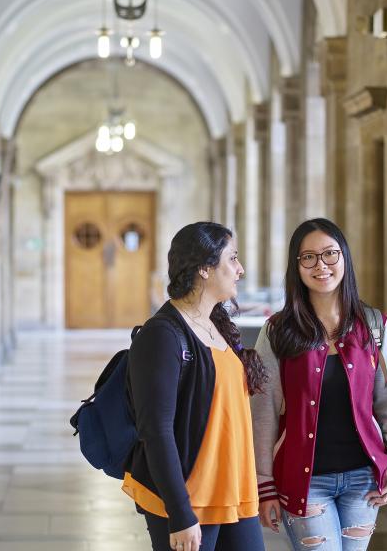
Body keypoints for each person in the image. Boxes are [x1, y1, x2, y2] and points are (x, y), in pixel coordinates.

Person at [251, 218, 387, 551]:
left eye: (329, 254)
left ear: (344, 259)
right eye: (308, 257)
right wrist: (264, 483)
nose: (321, 265)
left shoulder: (374, 325)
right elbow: (262, 413)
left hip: (363, 480)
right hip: (305, 481)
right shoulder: (277, 331)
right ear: (296, 266)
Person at [123, 222, 268, 551]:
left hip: (232, 490)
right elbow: (156, 430)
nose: (240, 269)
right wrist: (179, 513)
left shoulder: (215, 323)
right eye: (232, 259)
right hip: (191, 499)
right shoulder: (163, 335)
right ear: (204, 268)